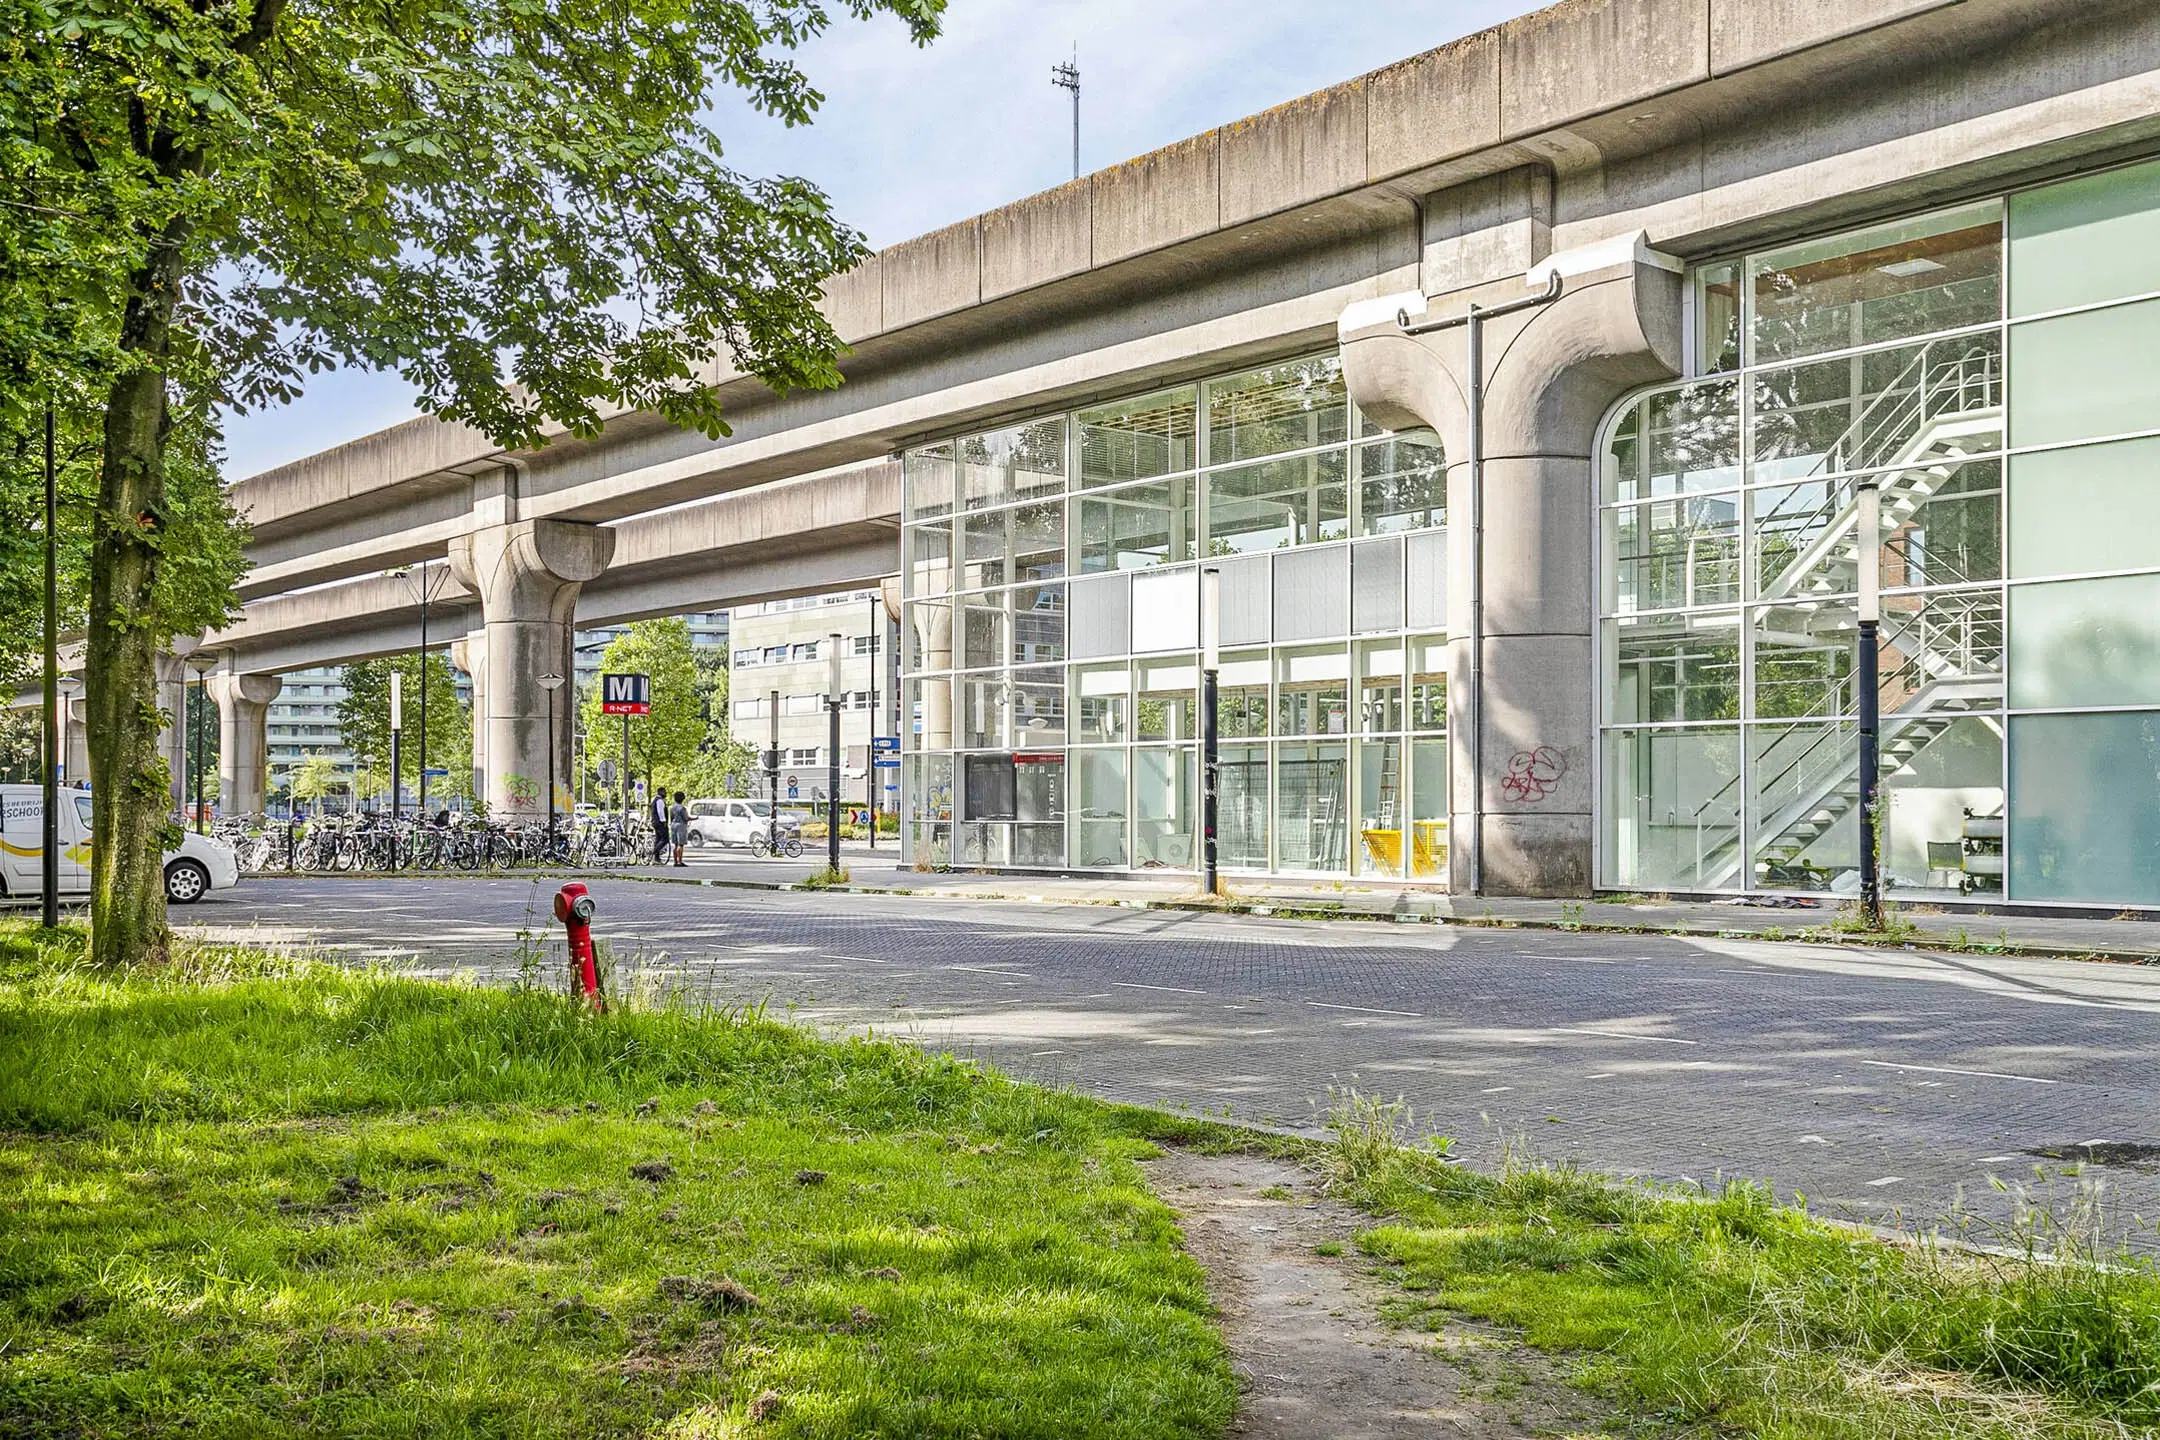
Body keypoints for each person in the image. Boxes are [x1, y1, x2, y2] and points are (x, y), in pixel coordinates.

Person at [669, 790, 689, 867]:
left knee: (675, 844)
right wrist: (694, 818)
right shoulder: (682, 808)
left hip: (673, 825)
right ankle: (680, 861)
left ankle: (675, 861)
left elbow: (671, 817)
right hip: (681, 826)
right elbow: (686, 818)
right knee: (681, 845)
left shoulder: (672, 808)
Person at [649, 787, 669, 865]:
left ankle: (656, 858)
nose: (665, 793)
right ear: (660, 792)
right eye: (664, 792)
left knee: (658, 839)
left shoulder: (655, 800)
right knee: (665, 839)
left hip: (655, 822)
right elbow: (661, 812)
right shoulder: (660, 801)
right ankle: (654, 852)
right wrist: (664, 821)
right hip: (660, 822)